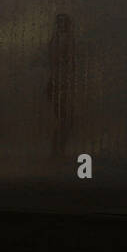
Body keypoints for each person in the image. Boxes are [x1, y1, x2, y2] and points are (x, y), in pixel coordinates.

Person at [47, 13, 76, 159]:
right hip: (60, 83)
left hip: (58, 82)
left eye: (64, 23)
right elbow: (66, 61)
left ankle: (57, 149)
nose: (62, 25)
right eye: (60, 23)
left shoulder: (56, 39)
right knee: (65, 118)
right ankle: (57, 150)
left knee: (63, 118)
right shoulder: (62, 40)